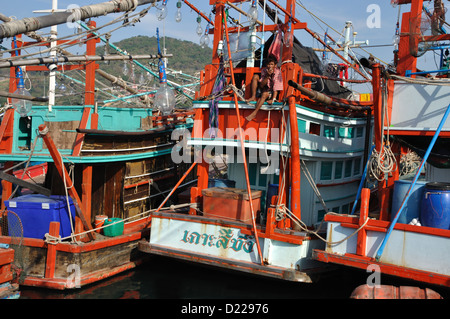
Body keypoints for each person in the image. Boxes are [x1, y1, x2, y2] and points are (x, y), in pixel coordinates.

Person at [245, 54, 283, 121]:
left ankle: (254, 113)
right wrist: (267, 76)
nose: (270, 66)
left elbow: (276, 88)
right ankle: (253, 96)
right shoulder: (264, 71)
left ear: (275, 65)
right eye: (268, 64)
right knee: (255, 76)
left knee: (264, 94)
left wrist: (273, 99)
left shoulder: (277, 73)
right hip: (264, 89)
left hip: (271, 92)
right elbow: (261, 85)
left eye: (271, 64)